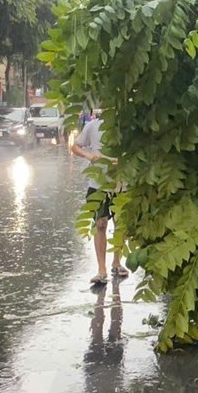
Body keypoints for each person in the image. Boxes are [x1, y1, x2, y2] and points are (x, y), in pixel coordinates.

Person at [70, 111, 129, 287]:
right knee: (100, 224)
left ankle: (117, 262)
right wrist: (90, 156)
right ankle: (101, 269)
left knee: (120, 225)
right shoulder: (93, 125)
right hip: (98, 184)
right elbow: (75, 146)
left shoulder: (126, 126)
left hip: (122, 183)